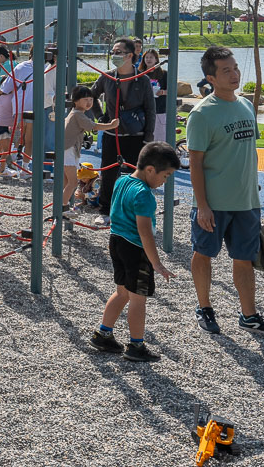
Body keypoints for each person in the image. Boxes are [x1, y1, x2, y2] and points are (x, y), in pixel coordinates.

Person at [187, 46, 264, 337]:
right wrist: (202, 205)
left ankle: (249, 315)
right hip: (213, 203)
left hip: (246, 201)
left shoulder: (244, 104)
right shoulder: (202, 113)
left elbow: (248, 152)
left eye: (235, 68)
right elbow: (195, 164)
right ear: (211, 77)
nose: (234, 74)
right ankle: (204, 307)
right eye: (226, 70)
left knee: (244, 258)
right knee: (203, 253)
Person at [89, 141, 180, 362]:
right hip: (136, 250)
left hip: (116, 242)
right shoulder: (144, 195)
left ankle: (104, 334)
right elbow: (145, 233)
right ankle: (136, 346)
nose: (165, 181)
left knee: (122, 292)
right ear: (150, 170)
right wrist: (156, 263)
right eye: (165, 176)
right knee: (138, 300)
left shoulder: (122, 181)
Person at [90, 37, 155, 225]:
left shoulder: (142, 79)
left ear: (129, 55)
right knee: (109, 173)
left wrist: (148, 137)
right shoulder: (108, 77)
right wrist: (101, 117)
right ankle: (105, 210)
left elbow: (150, 109)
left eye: (118, 52)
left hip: (136, 135)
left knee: (138, 174)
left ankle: (137, 213)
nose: (114, 55)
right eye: (113, 52)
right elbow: (92, 95)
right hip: (112, 133)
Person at [62, 86, 120, 214]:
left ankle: (64, 206)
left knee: (66, 181)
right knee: (72, 182)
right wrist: (111, 125)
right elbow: (92, 126)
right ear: (76, 101)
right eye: (85, 99)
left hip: (67, 149)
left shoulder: (74, 113)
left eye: (91, 100)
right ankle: (62, 207)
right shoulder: (78, 114)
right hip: (69, 150)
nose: (89, 103)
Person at [142, 48, 168, 143]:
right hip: (143, 110)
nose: (148, 59)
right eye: (146, 57)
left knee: (159, 139)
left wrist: (162, 92)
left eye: (151, 57)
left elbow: (172, 91)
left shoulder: (164, 74)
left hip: (159, 110)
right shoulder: (140, 74)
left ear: (156, 59)